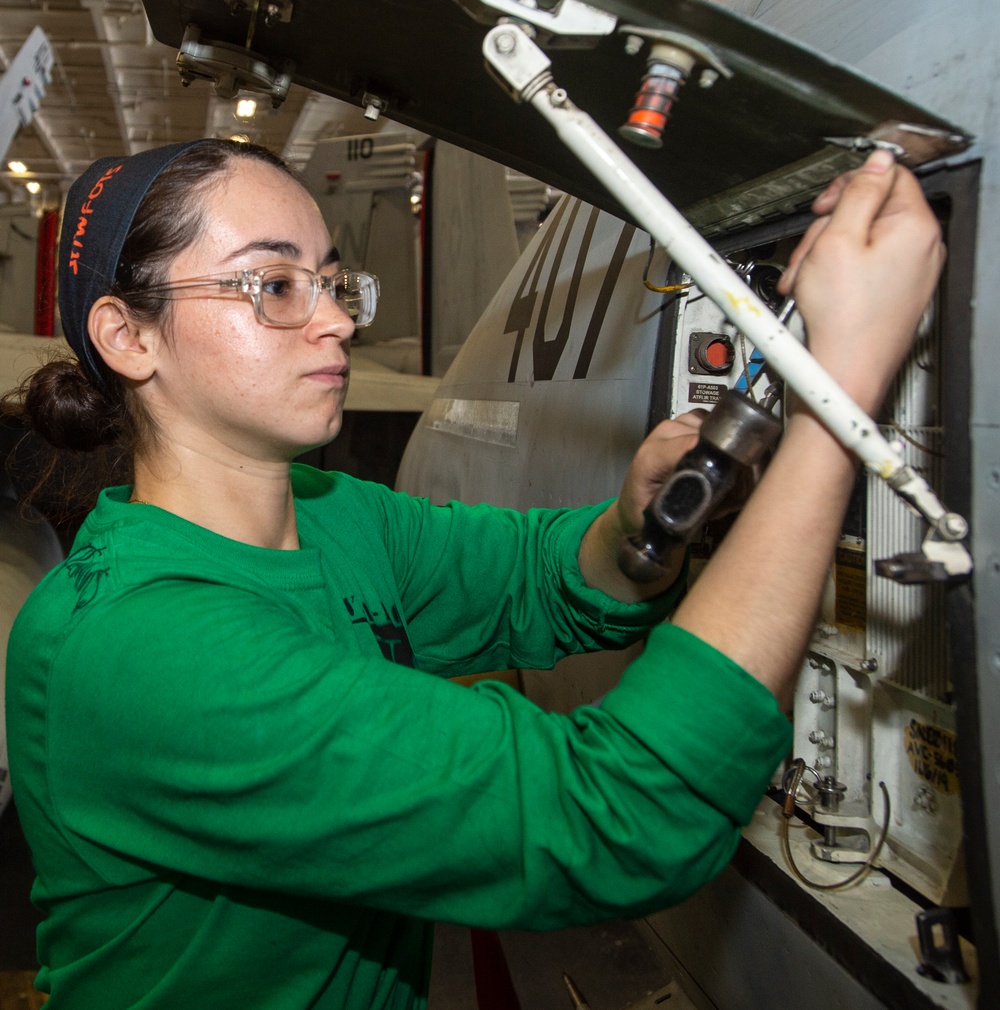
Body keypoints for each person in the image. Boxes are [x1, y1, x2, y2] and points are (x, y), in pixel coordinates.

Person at [3, 138, 943, 1010]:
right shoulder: (144, 648)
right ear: (129, 337)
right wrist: (839, 395)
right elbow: (611, 817)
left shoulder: (334, 515)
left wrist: (637, 520)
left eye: (331, 281)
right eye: (273, 284)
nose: (334, 320)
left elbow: (534, 576)